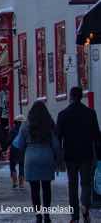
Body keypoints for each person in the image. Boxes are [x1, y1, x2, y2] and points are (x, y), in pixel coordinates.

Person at [57, 86, 101, 223]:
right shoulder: (90, 113)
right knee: (86, 183)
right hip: (86, 154)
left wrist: (59, 157)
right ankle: (85, 206)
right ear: (81, 97)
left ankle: (74, 216)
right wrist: (98, 155)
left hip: (70, 155)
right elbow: (97, 136)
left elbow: (58, 137)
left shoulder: (63, 114)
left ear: (70, 96)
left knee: (72, 185)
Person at [13, 101, 60, 223]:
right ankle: (47, 215)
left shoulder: (25, 125)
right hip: (46, 156)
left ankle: (38, 216)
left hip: (31, 157)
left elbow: (19, 144)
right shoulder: (49, 124)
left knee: (34, 189)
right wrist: (58, 157)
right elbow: (55, 144)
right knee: (46, 187)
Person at [9, 114, 26, 189]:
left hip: (14, 149)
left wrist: (5, 147)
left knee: (12, 165)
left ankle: (14, 181)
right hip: (22, 149)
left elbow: (9, 140)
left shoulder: (13, 130)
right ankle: (21, 183)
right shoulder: (25, 130)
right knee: (22, 165)